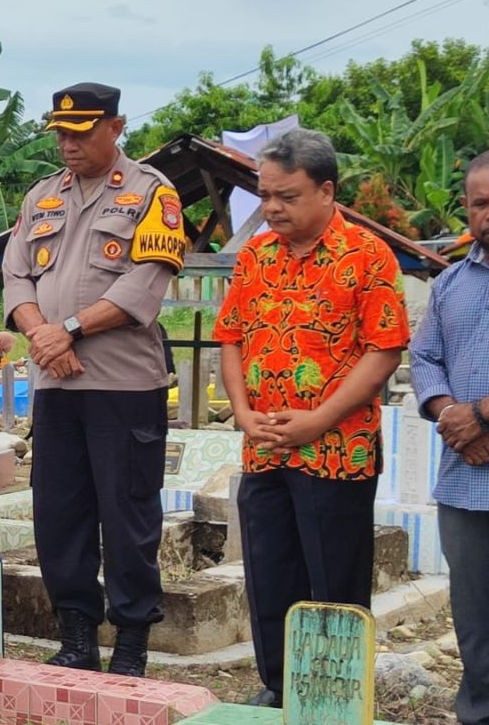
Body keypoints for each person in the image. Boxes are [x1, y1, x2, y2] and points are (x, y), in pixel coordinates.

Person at [213, 128, 409, 708]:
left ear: (327, 191)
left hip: (336, 451)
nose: (271, 208)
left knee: (335, 582)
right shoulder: (256, 256)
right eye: (265, 194)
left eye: (287, 196)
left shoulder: (367, 256)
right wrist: (244, 415)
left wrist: (318, 418)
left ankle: (338, 696)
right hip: (265, 447)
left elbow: (384, 349)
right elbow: (230, 338)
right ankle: (279, 687)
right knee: (270, 573)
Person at [1, 83, 186, 676]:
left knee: (128, 518)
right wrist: (41, 335)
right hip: (56, 384)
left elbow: (144, 283)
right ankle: (76, 635)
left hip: (123, 387)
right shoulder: (40, 198)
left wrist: (70, 329)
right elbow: (16, 277)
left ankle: (131, 643)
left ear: (116, 127)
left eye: (80, 132)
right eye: (60, 132)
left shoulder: (151, 193)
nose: (68, 144)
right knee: (59, 515)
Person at [410, 149, 489, 725]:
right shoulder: (450, 284)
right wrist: (453, 418)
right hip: (466, 477)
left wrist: (481, 414)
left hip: (474, 435)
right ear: (466, 207)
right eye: (481, 203)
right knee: (474, 614)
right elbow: (425, 359)